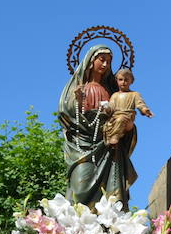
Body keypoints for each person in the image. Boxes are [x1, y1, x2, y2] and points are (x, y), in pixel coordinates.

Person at [58, 44, 135, 208]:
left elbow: (122, 116)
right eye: (102, 60)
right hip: (83, 146)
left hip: (108, 147)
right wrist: (78, 102)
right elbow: (68, 115)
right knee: (80, 186)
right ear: (91, 61)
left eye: (109, 61)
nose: (106, 65)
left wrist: (127, 126)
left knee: (111, 197)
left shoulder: (113, 92)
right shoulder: (78, 90)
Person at [102, 68, 153, 148]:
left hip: (128, 118)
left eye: (126, 80)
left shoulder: (134, 94)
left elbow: (140, 104)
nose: (123, 82)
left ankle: (115, 136)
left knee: (121, 119)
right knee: (107, 124)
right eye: (120, 79)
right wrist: (106, 108)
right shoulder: (115, 95)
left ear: (131, 81)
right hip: (115, 118)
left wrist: (145, 110)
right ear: (117, 81)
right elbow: (111, 106)